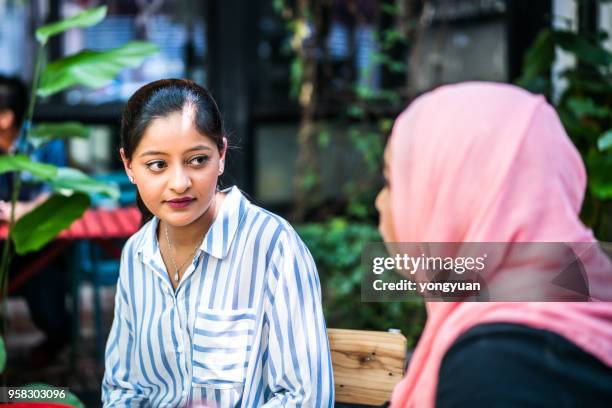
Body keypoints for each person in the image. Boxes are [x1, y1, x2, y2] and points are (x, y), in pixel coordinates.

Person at [375, 82, 612, 407]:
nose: (382, 201)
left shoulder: (496, 367)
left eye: (393, 180)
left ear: (454, 194)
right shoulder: (572, 317)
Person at [102, 79, 334, 407]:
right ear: (128, 166)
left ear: (221, 155)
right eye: (158, 165)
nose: (180, 183)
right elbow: (122, 387)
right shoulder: (136, 254)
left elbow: (306, 397)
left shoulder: (273, 247)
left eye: (197, 160)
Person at [0, 75, 71, 366]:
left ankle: (56, 343)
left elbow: (59, 193)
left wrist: (21, 210)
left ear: (5, 118)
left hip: (38, 242)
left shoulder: (46, 142)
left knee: (46, 296)